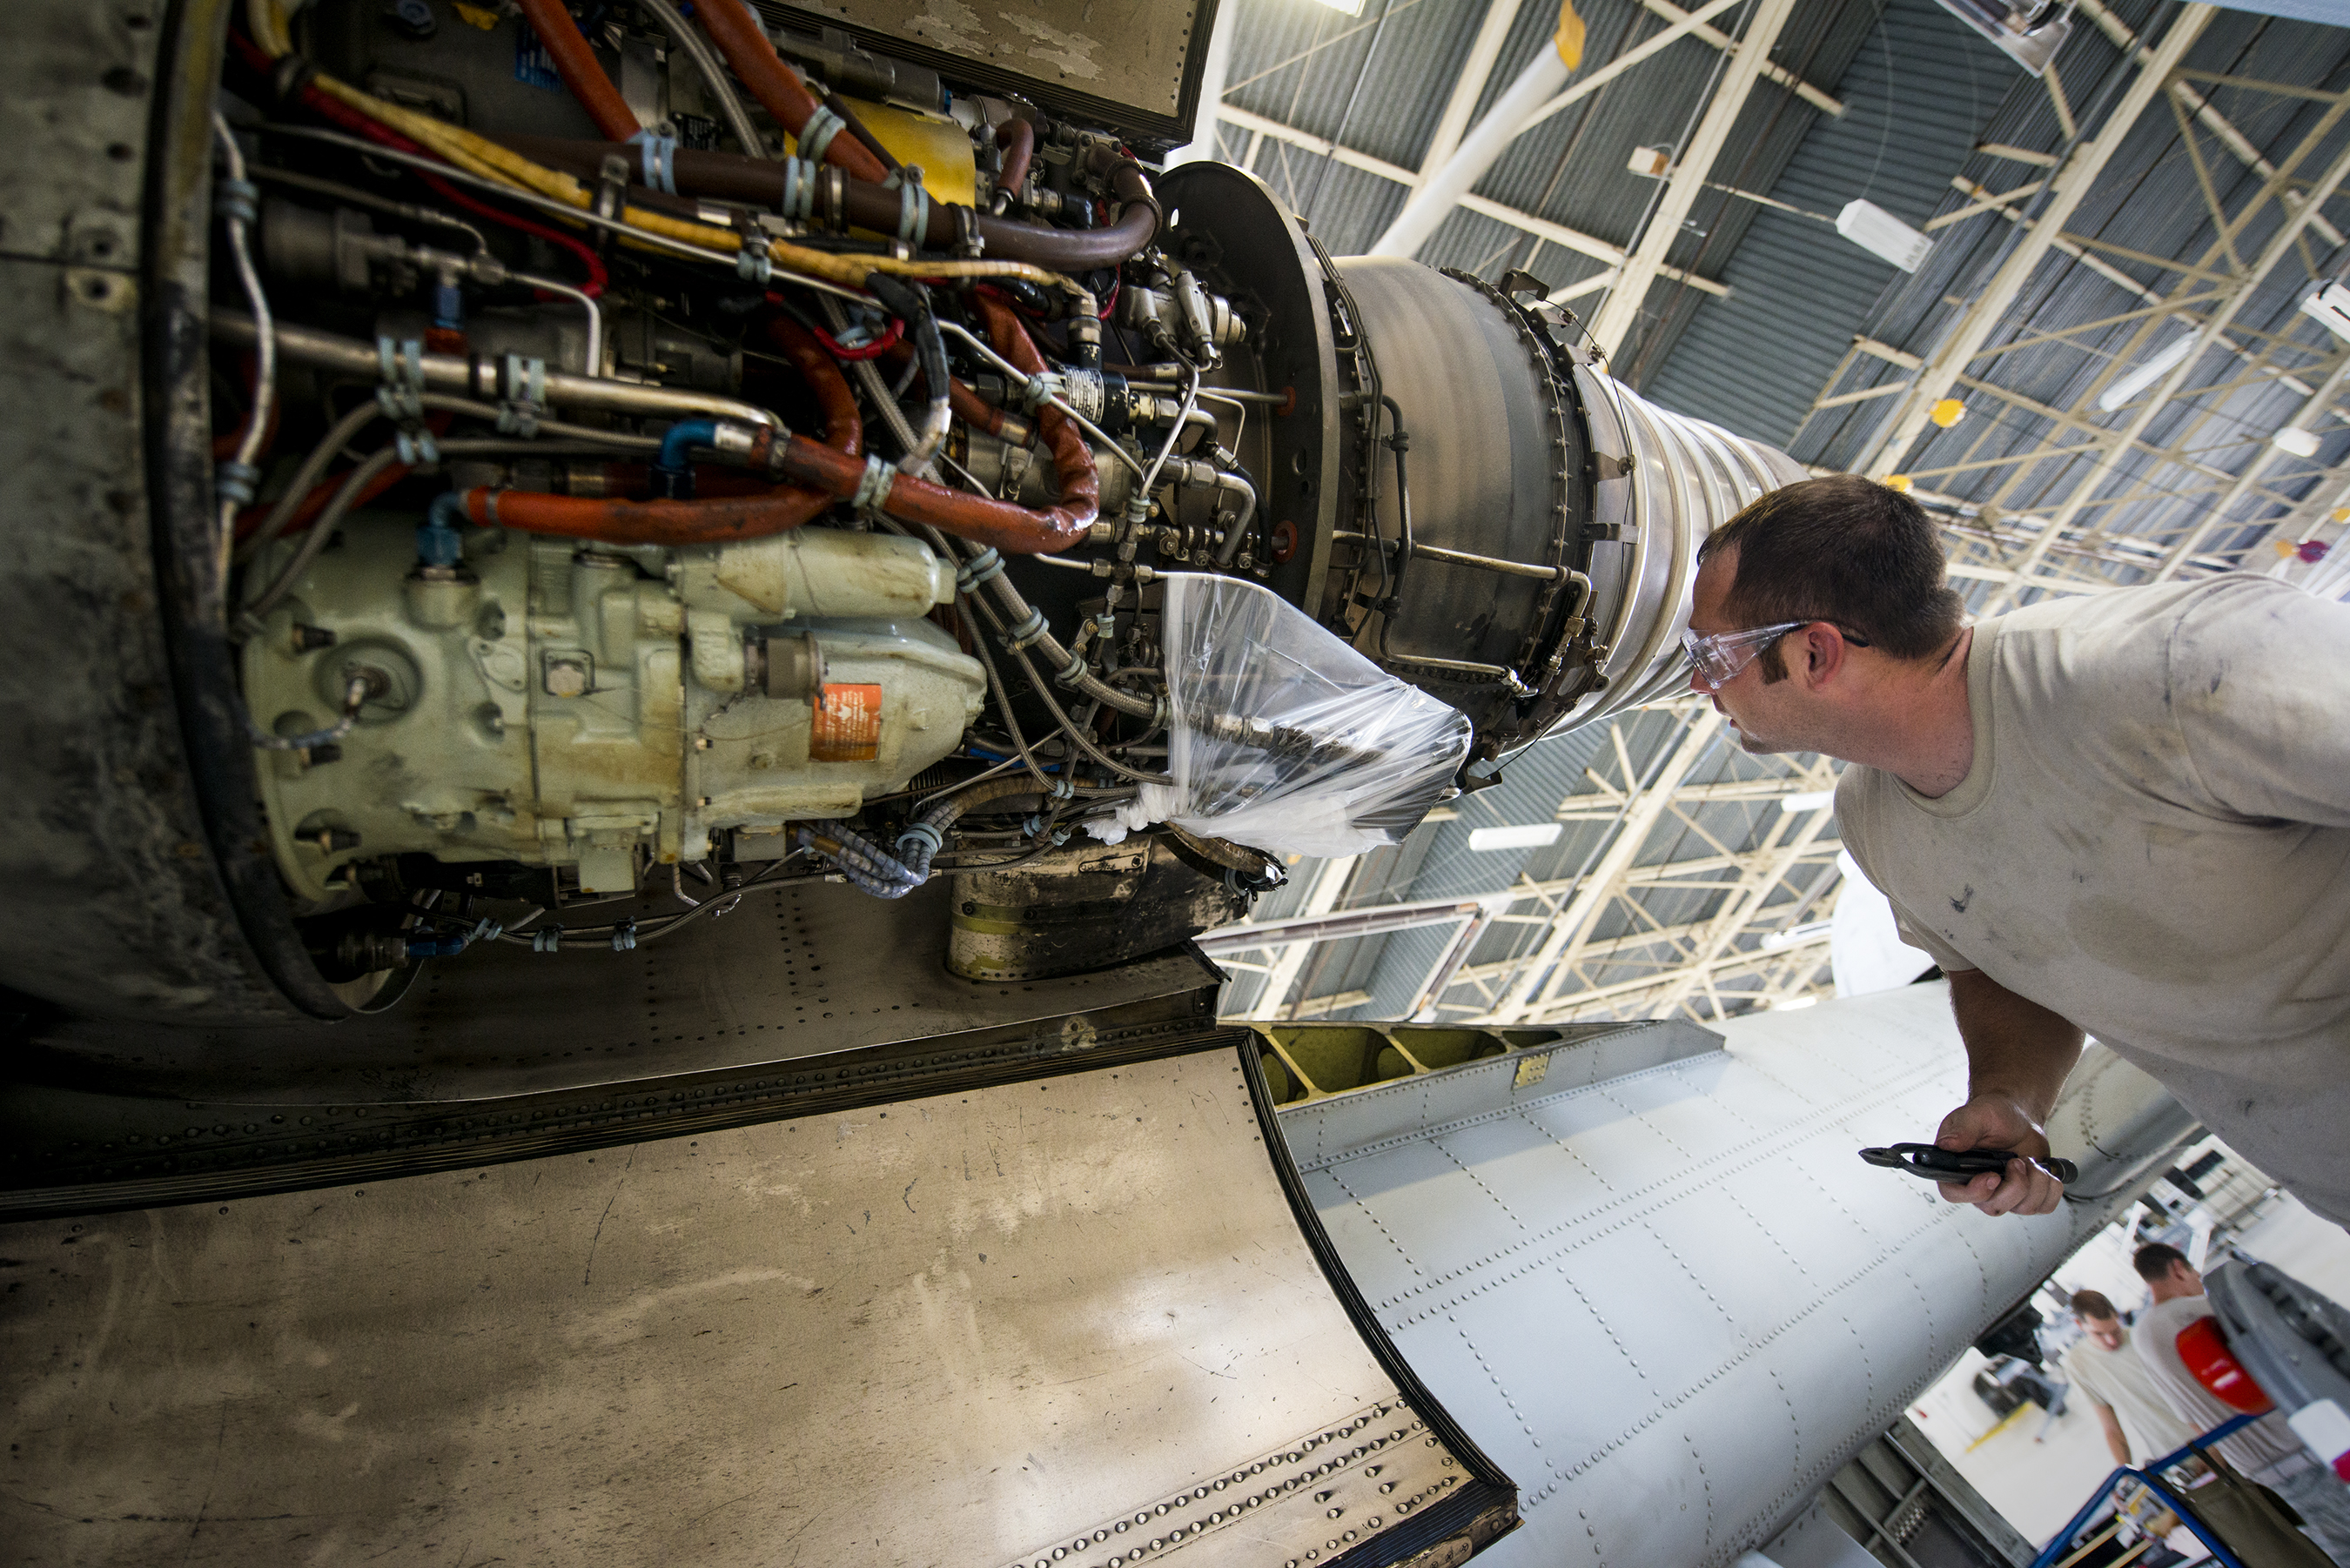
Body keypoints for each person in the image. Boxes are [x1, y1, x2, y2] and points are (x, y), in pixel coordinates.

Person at [1684, 474, 2350, 1225]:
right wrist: (2009, 1094)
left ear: (1815, 653)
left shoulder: (2172, 665)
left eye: (1712, 653)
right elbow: (1996, 972)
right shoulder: (1872, 818)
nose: (1702, 683)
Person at [2130, 1243, 2350, 1560]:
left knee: (2339, 1543)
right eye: (2195, 1274)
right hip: (2304, 1443)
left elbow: (2191, 1420)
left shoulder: (2142, 1338)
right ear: (2178, 1269)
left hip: (2259, 1469)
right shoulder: (2199, 1309)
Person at [2060, 1288, 2197, 1468]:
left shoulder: (2143, 1339)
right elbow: (2112, 1430)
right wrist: (2125, 1475)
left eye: (2115, 1330)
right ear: (2079, 1324)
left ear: (2117, 1316)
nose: (2111, 1341)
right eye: (2099, 1334)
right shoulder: (2078, 1364)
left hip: (2210, 1438)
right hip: (2171, 1456)